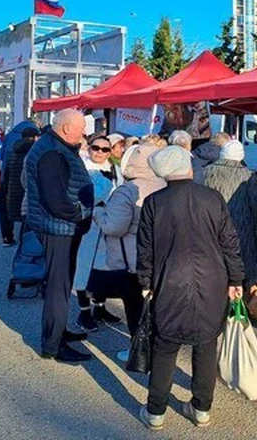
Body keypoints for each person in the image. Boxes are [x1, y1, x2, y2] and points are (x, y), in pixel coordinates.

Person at [137, 146, 245, 430]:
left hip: (169, 282)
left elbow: (145, 249)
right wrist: (236, 279)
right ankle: (201, 408)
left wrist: (145, 283)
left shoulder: (153, 203)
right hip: (212, 282)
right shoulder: (212, 198)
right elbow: (230, 243)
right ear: (187, 166)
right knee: (205, 344)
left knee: (165, 347)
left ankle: (155, 412)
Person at [24, 109, 94, 363]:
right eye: (81, 128)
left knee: (62, 286)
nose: (84, 133)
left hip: (61, 227)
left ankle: (59, 331)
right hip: (58, 228)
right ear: (66, 128)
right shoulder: (51, 152)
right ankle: (53, 345)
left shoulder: (55, 146)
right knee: (57, 287)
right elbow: (56, 199)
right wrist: (79, 213)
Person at [91, 144, 165, 361]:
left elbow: (115, 227)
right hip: (159, 256)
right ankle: (157, 349)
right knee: (154, 308)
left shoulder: (128, 190)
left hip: (132, 259)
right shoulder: (162, 184)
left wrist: (98, 213)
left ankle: (140, 350)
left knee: (135, 308)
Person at [203, 140, 257, 285]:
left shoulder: (207, 171)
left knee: (215, 266)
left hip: (212, 225)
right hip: (240, 228)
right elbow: (255, 204)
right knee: (240, 267)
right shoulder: (246, 175)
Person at [74, 134, 121, 332]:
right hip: (87, 225)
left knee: (104, 268)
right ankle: (84, 312)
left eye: (105, 149)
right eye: (96, 148)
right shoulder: (82, 168)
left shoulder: (115, 169)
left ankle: (99, 308)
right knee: (83, 268)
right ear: (89, 148)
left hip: (107, 225)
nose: (99, 152)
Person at [0, 119, 40, 246]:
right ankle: (26, 244)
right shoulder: (35, 153)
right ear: (35, 137)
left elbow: (6, 172)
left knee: (6, 212)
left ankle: (7, 237)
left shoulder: (13, 151)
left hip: (12, 189)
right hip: (27, 190)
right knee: (27, 218)